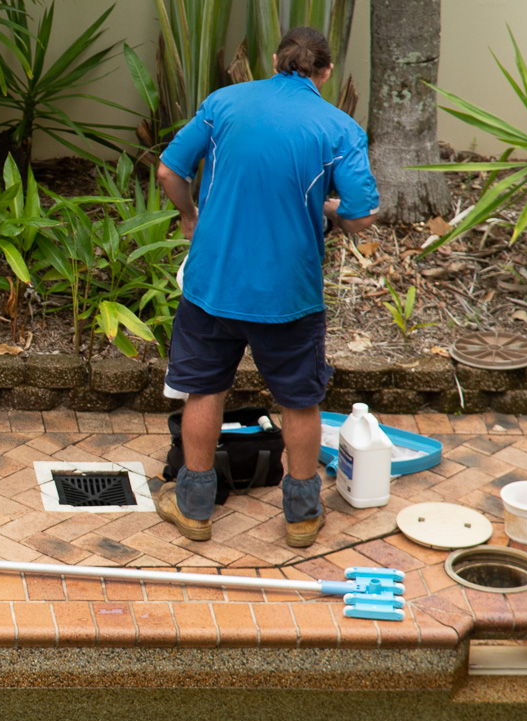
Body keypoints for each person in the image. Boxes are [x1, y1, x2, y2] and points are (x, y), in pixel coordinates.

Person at [155, 26, 379, 548]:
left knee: (205, 388)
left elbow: (169, 170)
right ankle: (301, 516)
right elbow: (361, 214)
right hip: (289, 295)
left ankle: (193, 508)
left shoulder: (224, 102)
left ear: (275, 59)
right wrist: (326, 209)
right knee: (299, 402)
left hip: (213, 283)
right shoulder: (339, 127)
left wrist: (190, 215)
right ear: (324, 72)